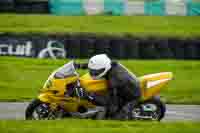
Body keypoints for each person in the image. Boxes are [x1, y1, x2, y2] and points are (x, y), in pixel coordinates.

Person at [76, 54, 141, 120]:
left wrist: (88, 96)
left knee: (115, 117)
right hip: (124, 85)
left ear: (105, 68)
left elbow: (110, 102)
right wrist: (79, 65)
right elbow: (95, 65)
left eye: (96, 72)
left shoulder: (115, 80)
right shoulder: (109, 64)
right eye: (92, 71)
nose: (93, 73)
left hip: (132, 97)